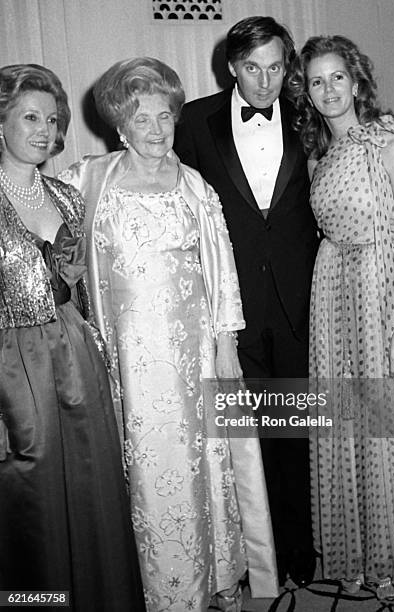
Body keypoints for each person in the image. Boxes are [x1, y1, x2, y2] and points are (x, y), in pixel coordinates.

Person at [59, 57, 277, 612]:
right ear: (119, 125)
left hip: (196, 352)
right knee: (147, 472)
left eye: (165, 118)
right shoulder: (86, 181)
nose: (156, 131)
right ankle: (156, 587)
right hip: (126, 358)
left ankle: (215, 575)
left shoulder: (194, 185)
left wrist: (227, 337)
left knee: (206, 462)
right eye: (142, 119)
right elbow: (46, 240)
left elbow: (221, 265)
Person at [288, 35, 394, 602]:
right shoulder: (317, 156)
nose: (328, 89)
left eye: (337, 77)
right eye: (316, 80)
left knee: (389, 429)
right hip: (333, 294)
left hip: (384, 292)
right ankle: (355, 552)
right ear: (306, 91)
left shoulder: (388, 142)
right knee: (348, 427)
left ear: (357, 83)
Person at [174, 15, 319, 587]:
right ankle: (252, 554)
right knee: (243, 438)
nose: (265, 81)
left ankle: (299, 551)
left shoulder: (309, 114)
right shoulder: (193, 120)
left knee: (298, 431)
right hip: (228, 306)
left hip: (300, 302)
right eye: (252, 68)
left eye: (276, 67)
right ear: (231, 66)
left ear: (288, 66)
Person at [0, 64, 145, 611]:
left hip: (74, 355)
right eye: (29, 116)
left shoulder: (66, 197)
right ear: (1, 122)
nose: (44, 129)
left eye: (52, 119)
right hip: (11, 371)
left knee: (89, 488)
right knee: (29, 498)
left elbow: (80, 291)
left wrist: (99, 356)